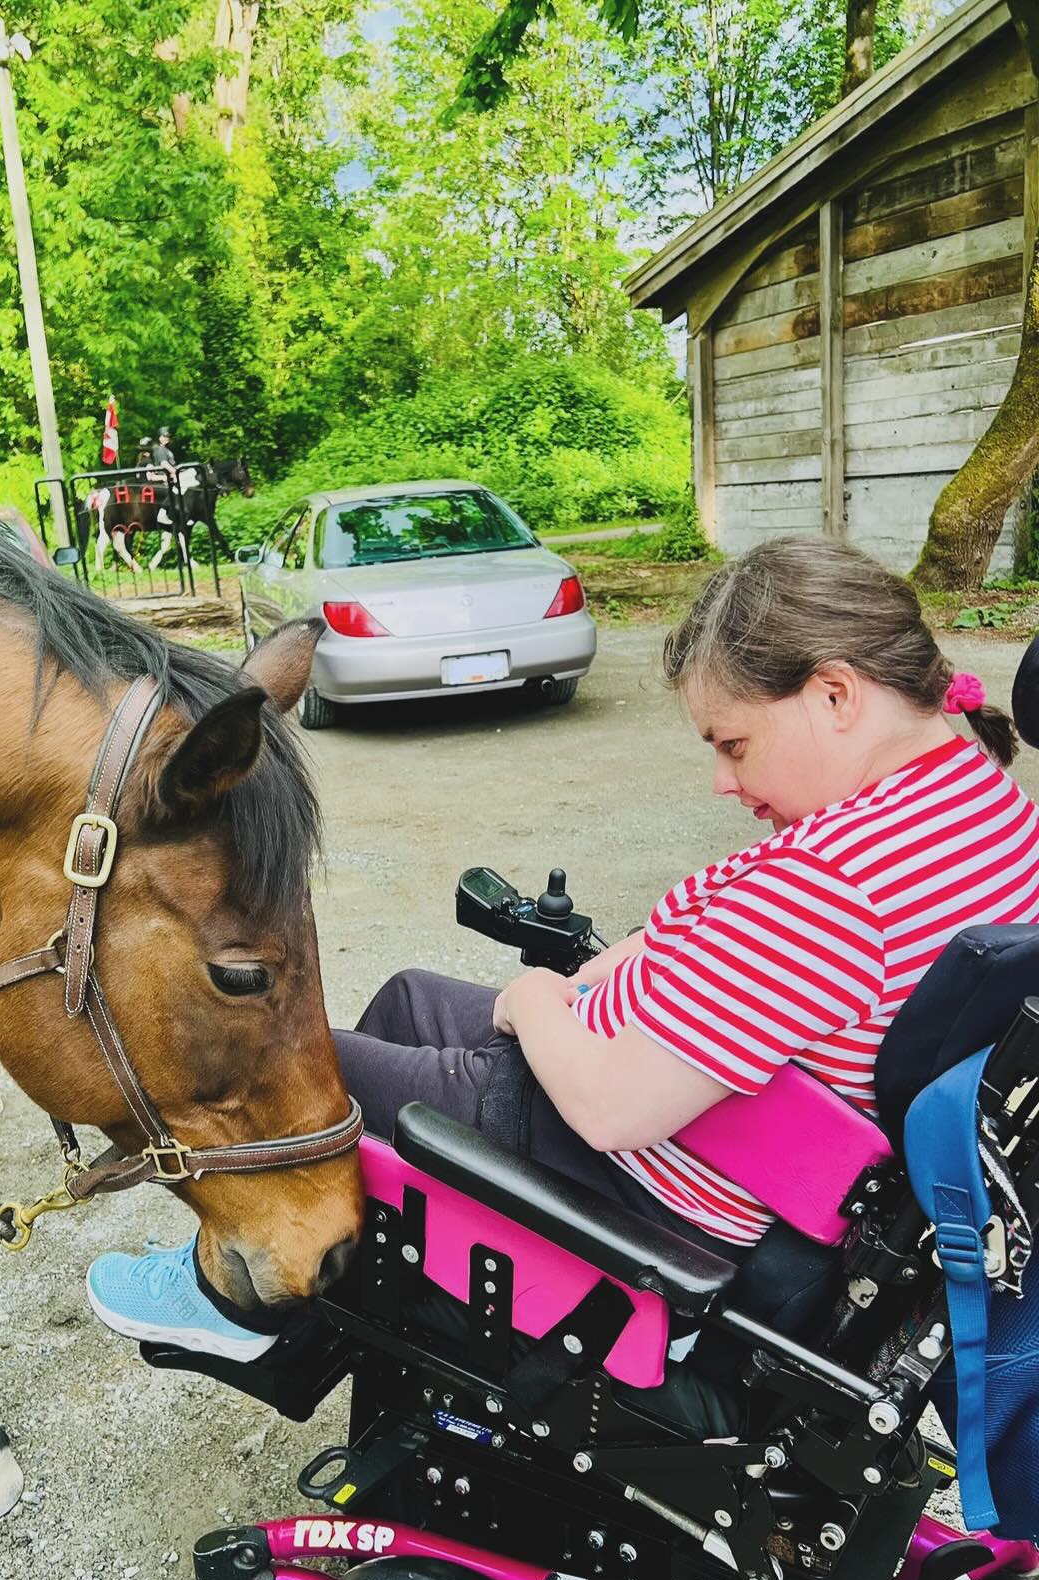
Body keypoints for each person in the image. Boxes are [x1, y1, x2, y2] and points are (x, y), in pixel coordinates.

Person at [85, 537, 1039, 1361]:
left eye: (733, 743)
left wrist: (537, 999)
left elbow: (611, 1103)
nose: (720, 779)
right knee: (412, 995)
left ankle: (239, 1295)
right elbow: (763, 970)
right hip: (702, 1119)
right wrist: (618, 971)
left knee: (288, 1078)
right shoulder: (978, 799)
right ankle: (358, 1296)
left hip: (634, 1171)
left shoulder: (837, 886)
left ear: (835, 693)